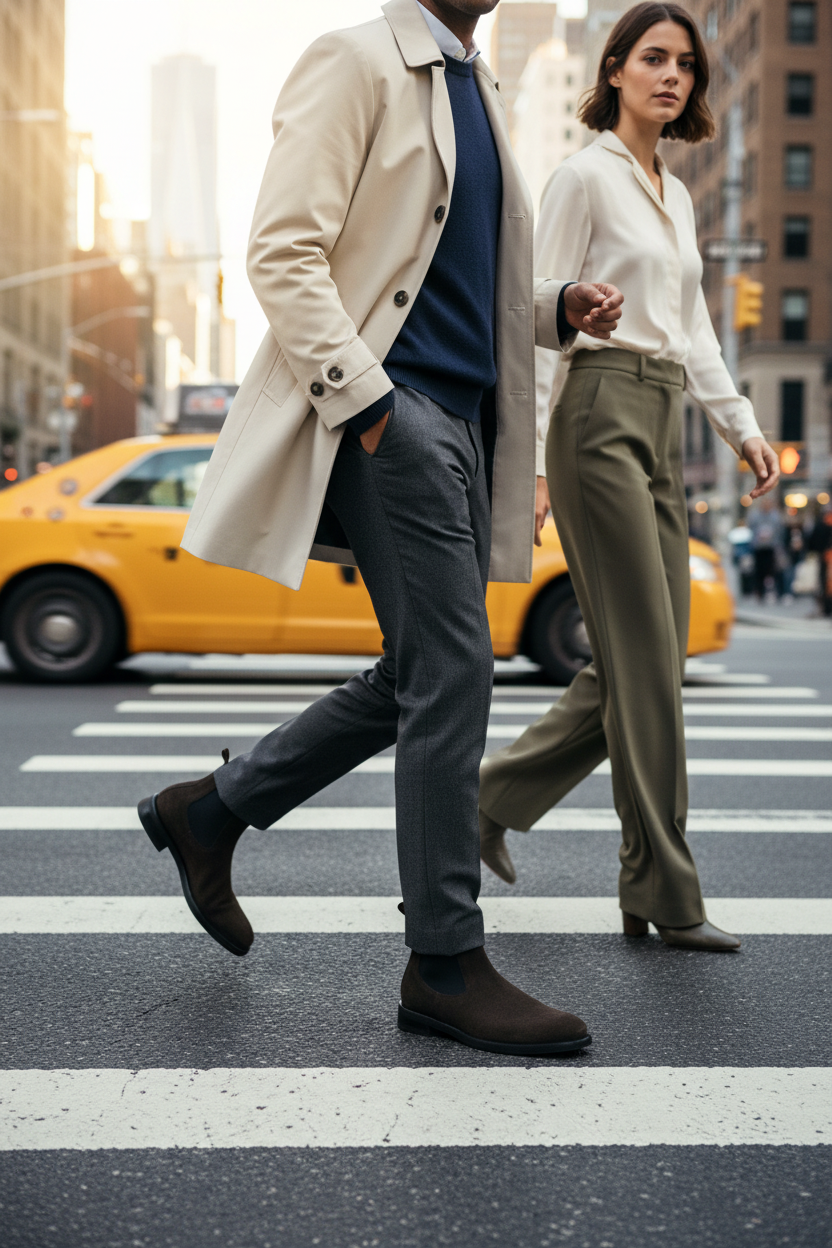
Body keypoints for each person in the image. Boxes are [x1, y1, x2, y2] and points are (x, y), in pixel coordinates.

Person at [137, 0, 625, 1055]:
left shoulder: (476, 84)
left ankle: (210, 812)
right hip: (396, 413)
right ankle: (443, 961)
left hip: (468, 418)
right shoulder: (354, 60)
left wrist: (554, 308)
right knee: (454, 669)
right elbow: (284, 250)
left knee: (422, 669)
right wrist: (368, 406)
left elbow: (449, 274)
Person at [478, 1, 780, 951]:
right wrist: (530, 466)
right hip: (596, 413)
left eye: (685, 64)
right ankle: (664, 887)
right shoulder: (582, 177)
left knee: (649, 657)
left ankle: (487, 800)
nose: (672, 76)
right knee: (645, 664)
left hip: (661, 415)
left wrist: (742, 426)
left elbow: (693, 330)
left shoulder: (676, 196)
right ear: (614, 70)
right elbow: (533, 318)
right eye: (653, 58)